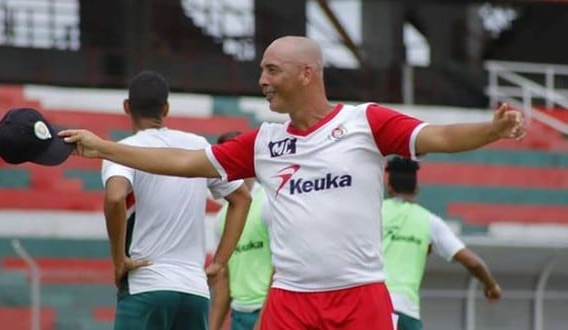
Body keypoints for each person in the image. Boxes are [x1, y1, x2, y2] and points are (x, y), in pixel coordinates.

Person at [59, 36, 525, 330]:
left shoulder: (365, 122)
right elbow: (185, 161)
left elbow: (437, 135)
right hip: (289, 301)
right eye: (262, 70)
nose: (261, 80)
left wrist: (492, 129)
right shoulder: (263, 141)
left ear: (307, 74)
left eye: (271, 70)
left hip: (360, 296)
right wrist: (105, 148)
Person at [101, 71, 251, 330]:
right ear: (166, 108)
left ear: (127, 106)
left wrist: (119, 260)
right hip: (194, 289)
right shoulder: (197, 145)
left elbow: (115, 198)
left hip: (145, 284)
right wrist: (218, 263)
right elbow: (242, 198)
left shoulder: (123, 150)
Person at [382, 156, 502, 330]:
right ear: (416, 189)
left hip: (375, 306)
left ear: (389, 187)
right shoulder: (429, 221)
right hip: (407, 311)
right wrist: (491, 285)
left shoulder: (375, 212)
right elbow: (472, 262)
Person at [209, 131, 273, 330]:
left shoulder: (269, 203)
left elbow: (284, 268)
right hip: (239, 317)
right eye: (225, 159)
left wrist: (263, 320)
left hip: (271, 312)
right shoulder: (221, 218)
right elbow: (224, 279)